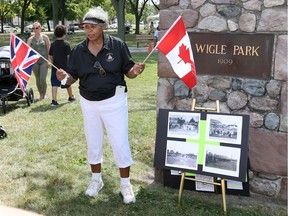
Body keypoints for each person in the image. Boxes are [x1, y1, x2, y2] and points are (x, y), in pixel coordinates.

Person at [56, 6, 145, 204]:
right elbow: (72, 77)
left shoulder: (118, 45)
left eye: (92, 27)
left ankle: (125, 184)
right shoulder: (78, 50)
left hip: (115, 100)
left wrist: (135, 71)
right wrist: (64, 77)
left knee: (120, 142)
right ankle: (96, 180)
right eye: (85, 27)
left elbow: (128, 70)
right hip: (88, 102)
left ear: (103, 26)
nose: (88, 31)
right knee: (93, 142)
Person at [48, 24, 75, 106]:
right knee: (67, 83)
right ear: (64, 33)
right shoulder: (66, 44)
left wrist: (52, 62)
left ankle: (54, 101)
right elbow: (69, 56)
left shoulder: (53, 44)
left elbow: (50, 55)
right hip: (65, 68)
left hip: (55, 68)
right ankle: (70, 97)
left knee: (54, 84)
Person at [27, 22, 51, 100]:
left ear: (40, 28)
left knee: (42, 79)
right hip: (35, 62)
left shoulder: (45, 37)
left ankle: (44, 93)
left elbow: (49, 49)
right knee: (38, 79)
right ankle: (41, 94)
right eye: (33, 28)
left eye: (36, 28)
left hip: (44, 60)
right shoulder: (30, 39)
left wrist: (49, 60)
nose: (35, 30)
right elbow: (26, 49)